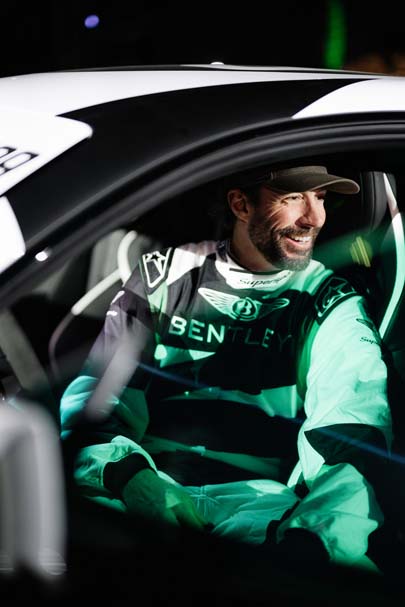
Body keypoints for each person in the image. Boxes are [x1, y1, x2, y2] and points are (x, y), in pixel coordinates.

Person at [60, 165, 392, 573]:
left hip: (260, 507)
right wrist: (129, 476)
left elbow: (354, 429)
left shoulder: (330, 301)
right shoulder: (164, 275)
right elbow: (97, 400)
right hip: (142, 480)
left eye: (320, 198)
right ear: (240, 204)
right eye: (293, 198)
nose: (314, 217)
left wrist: (311, 542)